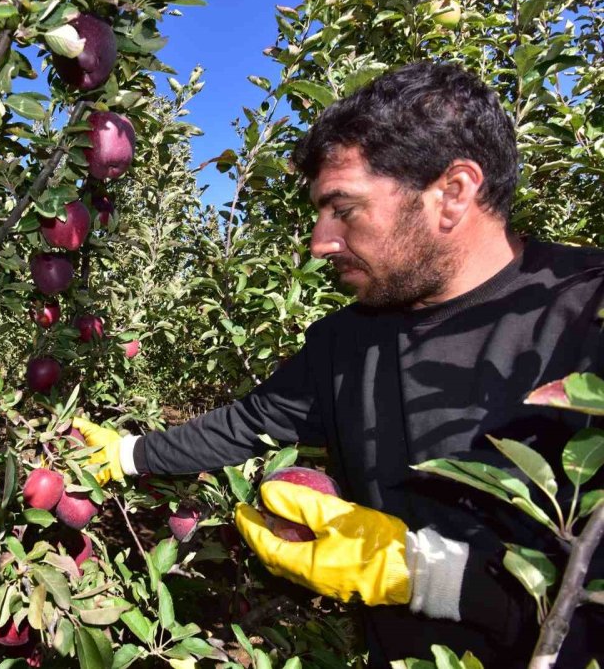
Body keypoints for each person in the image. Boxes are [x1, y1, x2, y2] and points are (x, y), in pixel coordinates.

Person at [73, 61, 604, 668]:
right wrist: (125, 454)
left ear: (453, 193)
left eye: (343, 209)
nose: (319, 242)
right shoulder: (348, 342)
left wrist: (435, 575)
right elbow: (248, 423)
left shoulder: (587, 316)